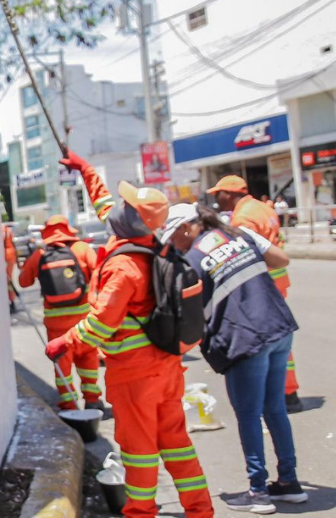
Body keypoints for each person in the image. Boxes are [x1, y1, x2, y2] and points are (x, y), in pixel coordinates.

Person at [45, 150, 214, 518]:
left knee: (138, 451)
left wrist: (65, 342)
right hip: (166, 369)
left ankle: (139, 512)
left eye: (126, 204)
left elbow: (102, 323)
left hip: (135, 375)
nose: (117, 207)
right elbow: (105, 203)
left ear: (132, 217)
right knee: (177, 444)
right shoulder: (147, 245)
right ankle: (200, 510)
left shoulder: (124, 266)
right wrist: (85, 169)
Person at [161, 203, 307, 513]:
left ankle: (258, 491)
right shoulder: (238, 233)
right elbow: (281, 259)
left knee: (249, 415)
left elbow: (186, 317)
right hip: (278, 327)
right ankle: (289, 482)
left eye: (173, 236)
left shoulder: (191, 261)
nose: (173, 243)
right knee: (275, 409)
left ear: (186, 228)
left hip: (244, 340)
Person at [209, 175, 302, 412]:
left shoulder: (243, 217)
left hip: (262, 285)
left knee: (265, 341)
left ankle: (282, 394)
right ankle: (288, 393)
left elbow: (245, 255)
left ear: (229, 193)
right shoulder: (262, 207)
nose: (217, 199)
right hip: (277, 280)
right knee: (278, 339)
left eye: (218, 193)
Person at [17, 215, 103, 410]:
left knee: (62, 368)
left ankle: (69, 406)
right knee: (89, 362)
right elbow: (100, 272)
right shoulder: (82, 249)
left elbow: (23, 281)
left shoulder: (40, 254)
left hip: (56, 327)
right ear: (68, 229)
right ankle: (92, 401)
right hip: (84, 323)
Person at [3, 224, 20, 313]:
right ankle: (12, 300)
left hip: (6, 254)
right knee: (9, 279)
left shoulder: (0, 230)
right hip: (11, 254)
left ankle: (12, 302)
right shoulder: (7, 230)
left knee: (7, 280)